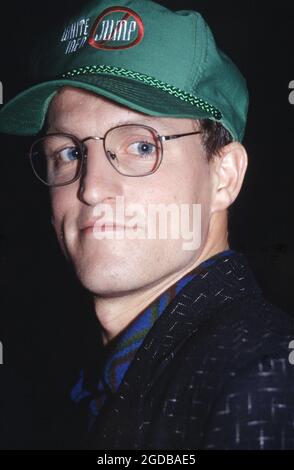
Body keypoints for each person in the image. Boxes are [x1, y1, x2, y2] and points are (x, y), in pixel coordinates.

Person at [0, 0, 294, 450]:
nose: (92, 188)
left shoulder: (259, 379)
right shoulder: (99, 377)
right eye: (69, 152)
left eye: (141, 146)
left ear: (224, 176)